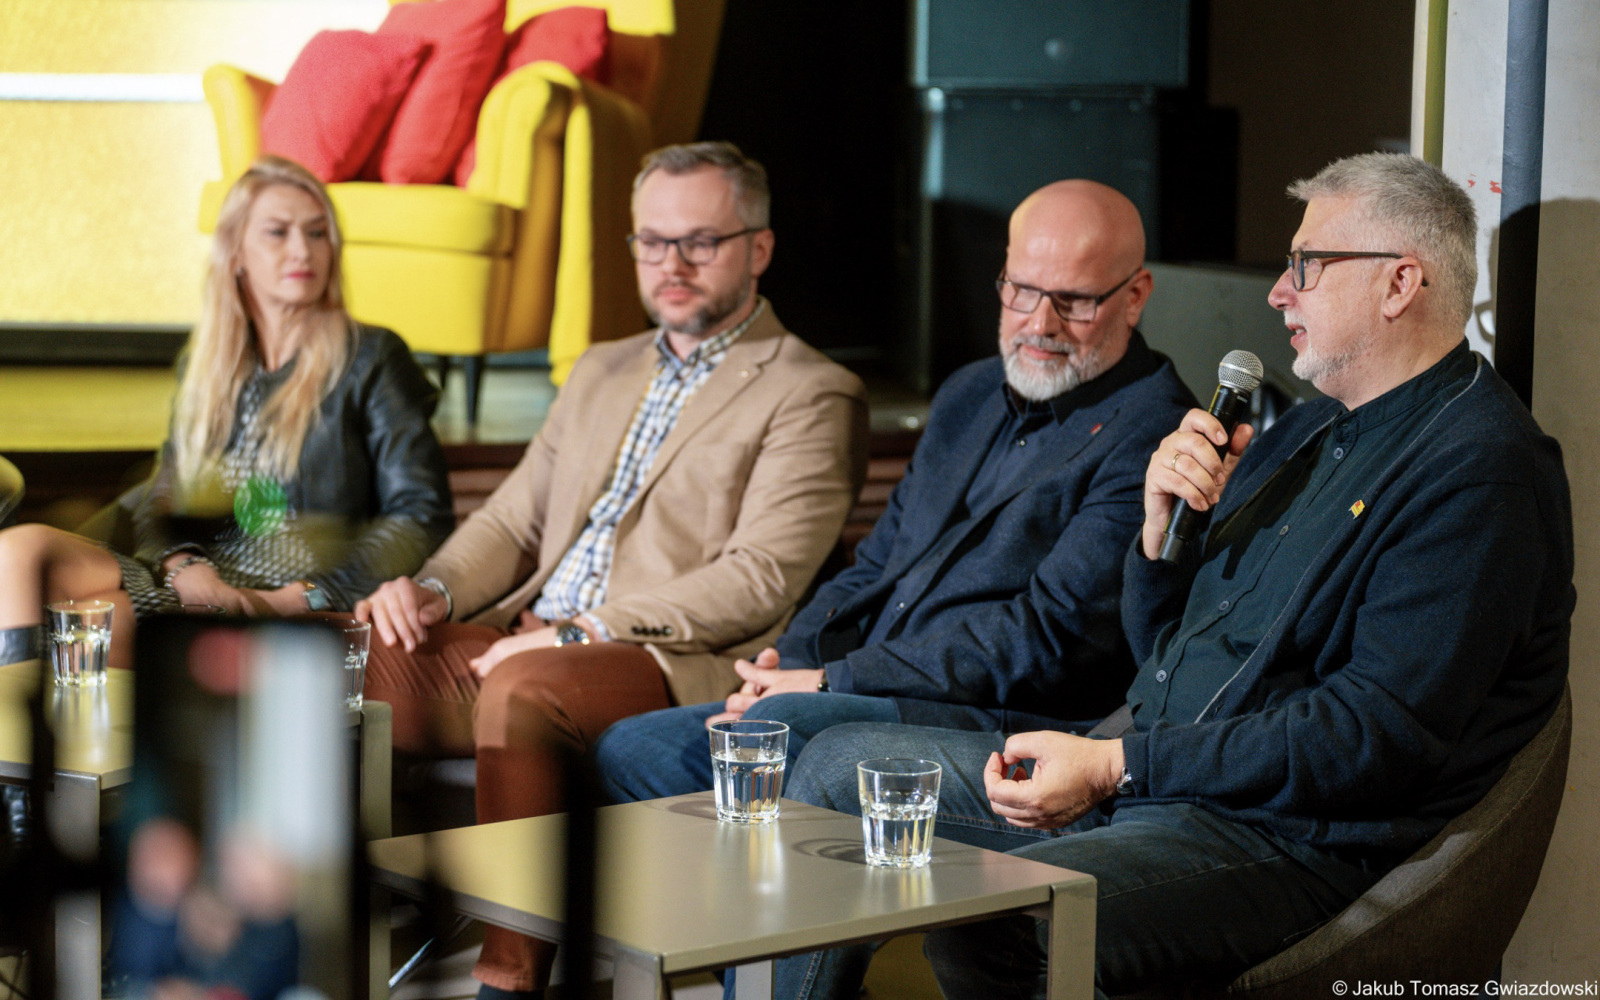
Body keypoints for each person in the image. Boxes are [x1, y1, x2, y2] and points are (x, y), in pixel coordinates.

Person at [775, 152, 1575, 1000]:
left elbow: (1368, 738)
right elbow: (1166, 648)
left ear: (1400, 283)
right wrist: (1160, 540)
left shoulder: (1479, 473)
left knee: (999, 924)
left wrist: (1119, 766)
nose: (1279, 292)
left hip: (1282, 837)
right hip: (1163, 776)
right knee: (833, 768)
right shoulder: (1309, 430)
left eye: (1307, 265)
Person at [352, 141, 869, 1000]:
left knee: (526, 688)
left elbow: (760, 578)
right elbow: (512, 520)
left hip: (662, 659)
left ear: (759, 249)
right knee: (329, 653)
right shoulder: (601, 367)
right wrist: (431, 591)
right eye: (652, 242)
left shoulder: (813, 390)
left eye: (700, 242)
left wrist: (579, 631)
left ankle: (509, 982)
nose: (672, 265)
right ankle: (291, 936)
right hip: (524, 639)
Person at [595, 179, 1195, 803]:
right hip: (865, 690)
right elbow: (876, 565)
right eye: (1020, 290)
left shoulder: (1154, 432)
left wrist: (831, 682)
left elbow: (1046, 638)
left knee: (776, 733)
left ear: (1134, 296)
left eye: (1073, 302)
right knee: (629, 748)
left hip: (998, 721)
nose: (1040, 324)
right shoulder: (970, 393)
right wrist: (783, 666)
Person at [0, 156, 453, 670]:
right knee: (16, 553)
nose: (302, 250)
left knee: (91, 624)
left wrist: (298, 597)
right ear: (236, 253)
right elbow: (164, 491)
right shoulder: (208, 364)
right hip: (197, 580)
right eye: (278, 232)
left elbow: (419, 516)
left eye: (317, 233)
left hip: (287, 596)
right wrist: (185, 566)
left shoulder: (371, 357)